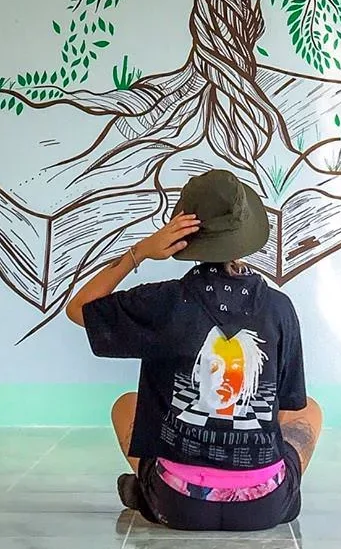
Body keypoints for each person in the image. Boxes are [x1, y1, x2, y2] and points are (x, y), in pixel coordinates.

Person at [66, 169, 322, 531]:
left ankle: (147, 489)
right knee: (310, 410)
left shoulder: (164, 301)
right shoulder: (280, 308)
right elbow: (289, 404)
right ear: (247, 234)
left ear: (181, 234)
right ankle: (256, 479)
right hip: (264, 506)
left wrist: (138, 253)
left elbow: (79, 308)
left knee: (126, 404)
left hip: (178, 504)